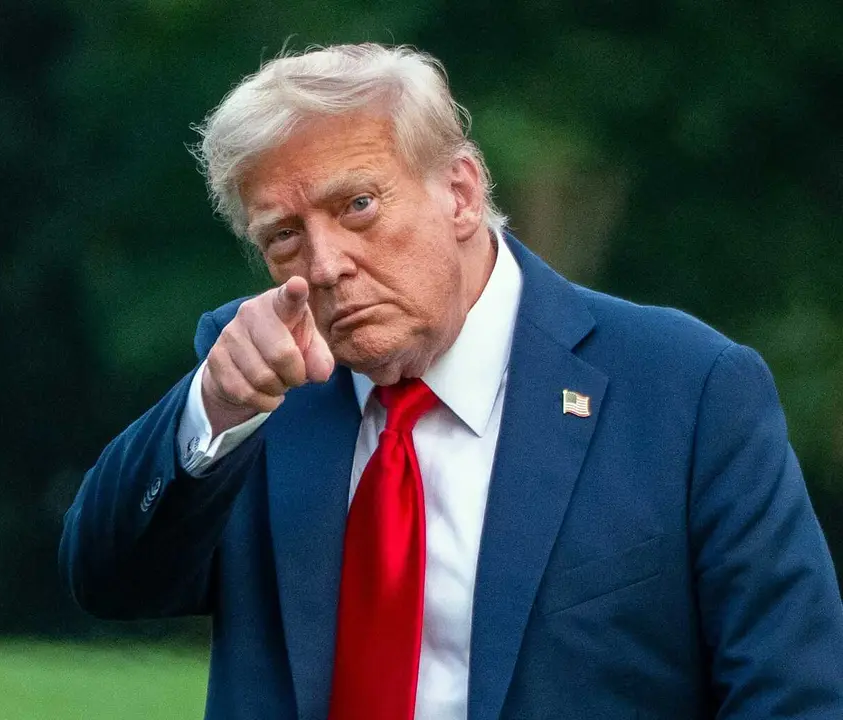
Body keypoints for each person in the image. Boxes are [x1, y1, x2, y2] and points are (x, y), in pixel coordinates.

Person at [59, 43, 843, 720]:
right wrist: (214, 407)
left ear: (460, 193)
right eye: (284, 236)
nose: (324, 266)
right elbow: (108, 581)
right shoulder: (260, 380)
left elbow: (792, 690)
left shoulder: (686, 387)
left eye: (357, 205)